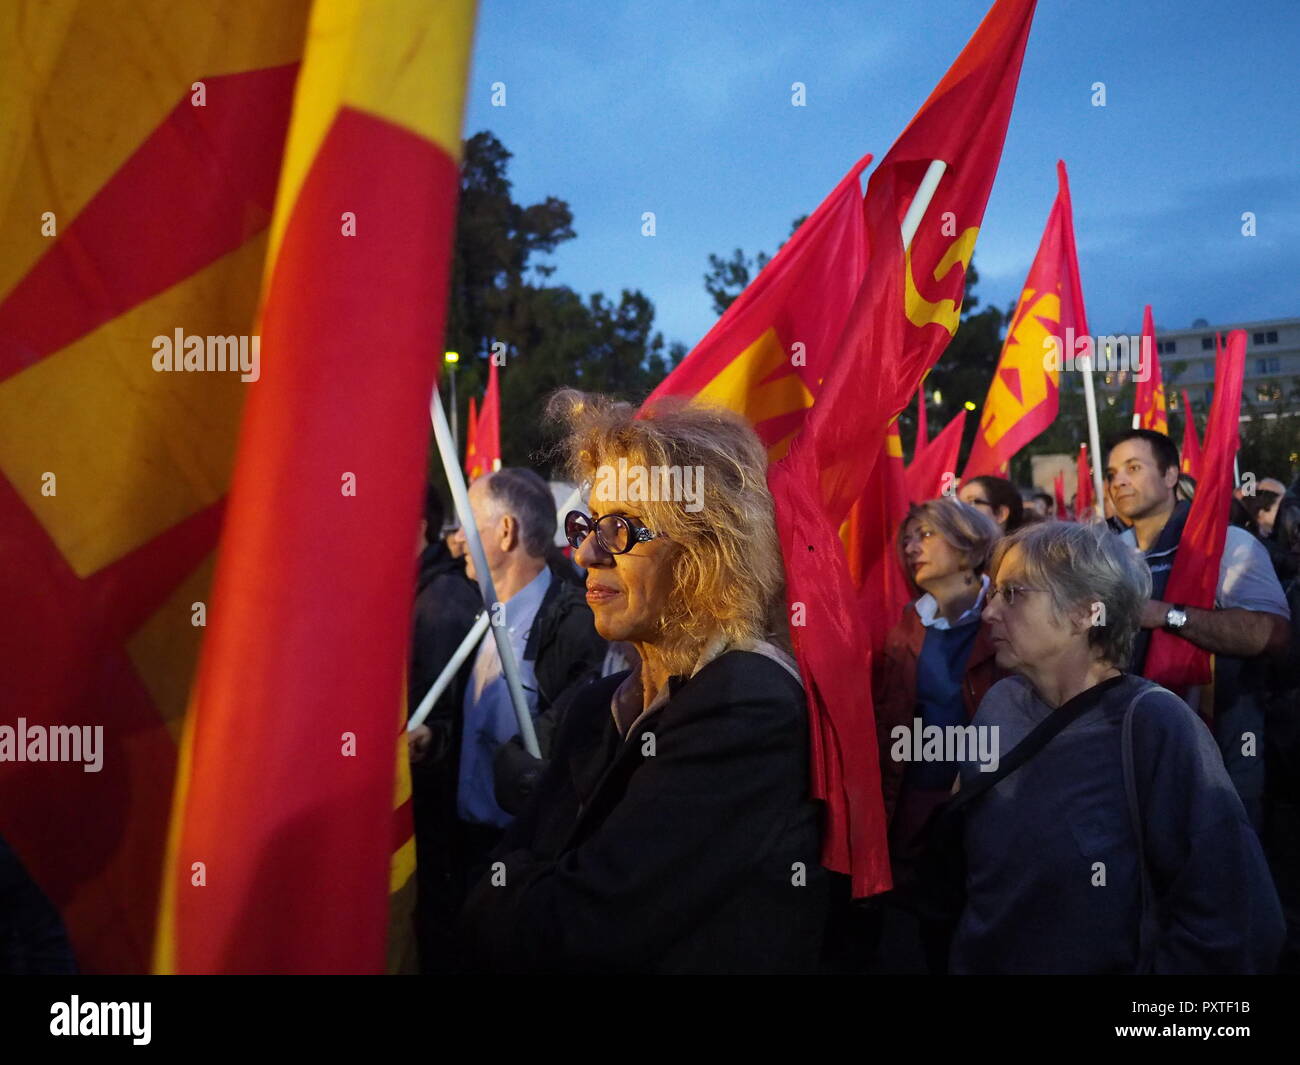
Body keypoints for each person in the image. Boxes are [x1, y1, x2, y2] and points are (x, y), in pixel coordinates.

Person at [460, 391, 829, 973]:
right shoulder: (599, 706)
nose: (584, 554)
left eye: (620, 531)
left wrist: (522, 890)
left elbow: (579, 928)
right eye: (585, 525)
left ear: (709, 550)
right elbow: (494, 881)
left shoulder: (748, 707)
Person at [951, 522, 1283, 973]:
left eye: (1013, 594)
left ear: (1086, 613)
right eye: (994, 593)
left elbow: (1238, 921)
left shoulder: (1155, 725)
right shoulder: (998, 704)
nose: (988, 613)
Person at [1104, 429, 1291, 827]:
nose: (1118, 481)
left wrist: (1166, 615)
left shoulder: (1229, 544)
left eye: (1133, 468)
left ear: (1172, 474)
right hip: (1129, 747)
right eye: (1112, 472)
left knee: (1226, 872)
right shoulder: (1104, 556)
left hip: (1222, 744)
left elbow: (1272, 636)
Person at [448, 467, 606, 848]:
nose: (456, 539)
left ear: (506, 531)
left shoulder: (575, 627)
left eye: (467, 523)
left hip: (519, 851)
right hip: (465, 845)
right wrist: (437, 739)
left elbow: (578, 762)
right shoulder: (479, 612)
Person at [875, 499, 1002, 852]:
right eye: (908, 540)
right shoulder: (903, 627)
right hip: (912, 806)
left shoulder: (1008, 616)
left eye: (926, 535)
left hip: (988, 805)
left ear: (970, 544)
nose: (912, 547)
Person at [957, 475, 1024, 533]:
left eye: (972, 502)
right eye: (959, 503)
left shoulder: (1024, 547)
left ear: (1001, 514)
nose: (960, 509)